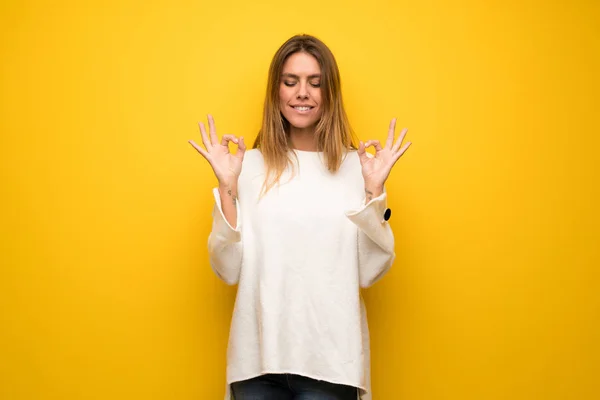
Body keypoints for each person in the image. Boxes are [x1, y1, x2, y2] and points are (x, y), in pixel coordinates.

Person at [189, 34, 411, 400]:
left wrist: (373, 191)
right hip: (256, 364)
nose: (302, 93)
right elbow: (227, 270)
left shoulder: (359, 168)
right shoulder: (246, 167)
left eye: (315, 83)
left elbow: (371, 272)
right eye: (290, 82)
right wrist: (227, 186)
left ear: (330, 94)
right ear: (276, 92)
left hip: (331, 365)